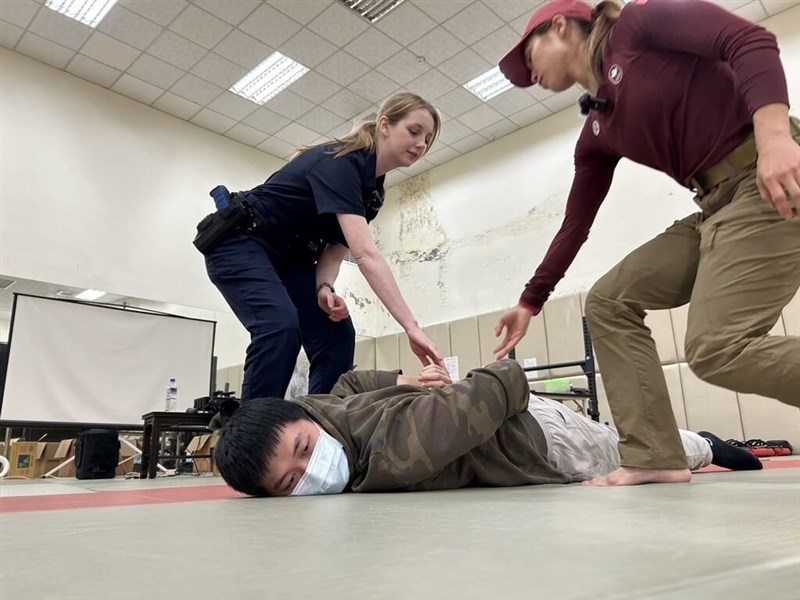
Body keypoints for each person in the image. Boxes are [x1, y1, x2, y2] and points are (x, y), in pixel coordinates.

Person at [493, 0, 800, 486]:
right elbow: (576, 223)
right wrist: (530, 302)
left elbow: (749, 41)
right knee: (609, 301)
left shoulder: (637, 25)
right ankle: (655, 454)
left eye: (528, 52)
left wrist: (777, 137)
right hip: (715, 205)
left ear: (559, 28)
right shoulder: (597, 131)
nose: (527, 70)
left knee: (716, 347)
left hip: (768, 176)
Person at [199, 92, 446, 402]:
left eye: (428, 139)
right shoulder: (340, 162)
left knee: (337, 336)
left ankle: (321, 422)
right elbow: (366, 255)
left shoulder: (373, 192)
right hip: (240, 242)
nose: (421, 144)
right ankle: (255, 437)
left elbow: (334, 250)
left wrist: (323, 288)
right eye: (414, 131)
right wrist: (411, 326)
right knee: (280, 327)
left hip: (291, 259)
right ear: (385, 125)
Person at [213, 360, 762, 497]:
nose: (312, 471)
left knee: (636, 455)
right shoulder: (326, 413)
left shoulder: (396, 449)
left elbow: (504, 380)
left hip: (540, 443)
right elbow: (350, 384)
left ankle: (703, 443)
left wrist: (442, 389)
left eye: (304, 450)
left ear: (306, 419)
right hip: (509, 423)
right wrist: (403, 378)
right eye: (291, 483)